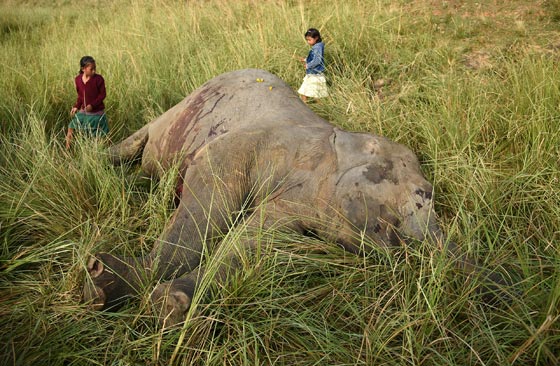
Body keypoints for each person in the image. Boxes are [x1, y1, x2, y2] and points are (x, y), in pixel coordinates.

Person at [66, 56, 109, 149]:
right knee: (71, 127)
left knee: (97, 135)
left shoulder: (99, 79)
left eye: (95, 68)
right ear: (83, 69)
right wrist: (76, 106)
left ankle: (99, 151)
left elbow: (102, 95)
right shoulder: (78, 80)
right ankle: (67, 151)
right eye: (91, 69)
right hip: (84, 111)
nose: (94, 71)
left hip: (96, 113)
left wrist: (92, 106)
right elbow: (80, 96)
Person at [297, 28, 328, 102]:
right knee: (309, 91)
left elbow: (317, 60)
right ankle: (306, 105)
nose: (308, 42)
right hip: (314, 73)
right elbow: (313, 58)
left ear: (316, 38)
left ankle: (305, 105)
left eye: (309, 40)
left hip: (314, 73)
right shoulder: (317, 46)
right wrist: (305, 59)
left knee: (308, 91)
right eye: (307, 40)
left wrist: (308, 65)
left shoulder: (317, 47)